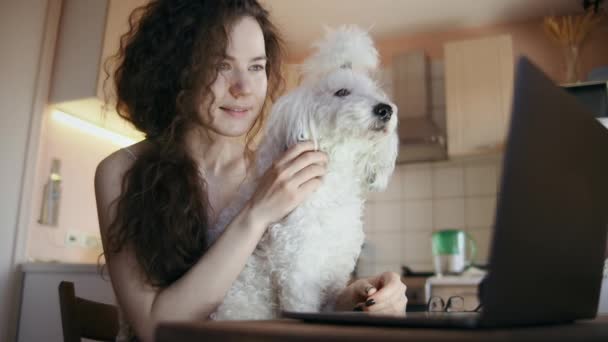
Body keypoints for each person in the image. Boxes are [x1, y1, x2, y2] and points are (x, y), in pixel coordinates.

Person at [94, 1, 407, 341]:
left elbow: (296, 305)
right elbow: (156, 328)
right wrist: (256, 213)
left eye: (256, 67)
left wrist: (362, 299)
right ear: (174, 72)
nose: (243, 88)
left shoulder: (279, 170)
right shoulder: (123, 171)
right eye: (221, 65)